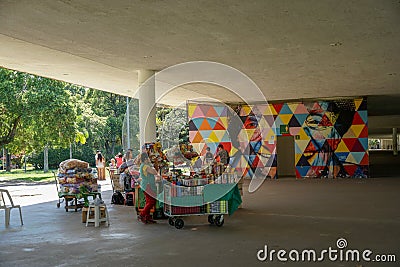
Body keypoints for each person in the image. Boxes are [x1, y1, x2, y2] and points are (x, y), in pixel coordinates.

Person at [137, 152, 160, 224]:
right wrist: (156, 164)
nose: (150, 159)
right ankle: (142, 214)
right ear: (145, 159)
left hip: (147, 185)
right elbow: (155, 172)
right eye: (148, 158)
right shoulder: (145, 166)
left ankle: (147, 217)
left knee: (148, 201)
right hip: (147, 185)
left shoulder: (145, 165)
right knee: (152, 201)